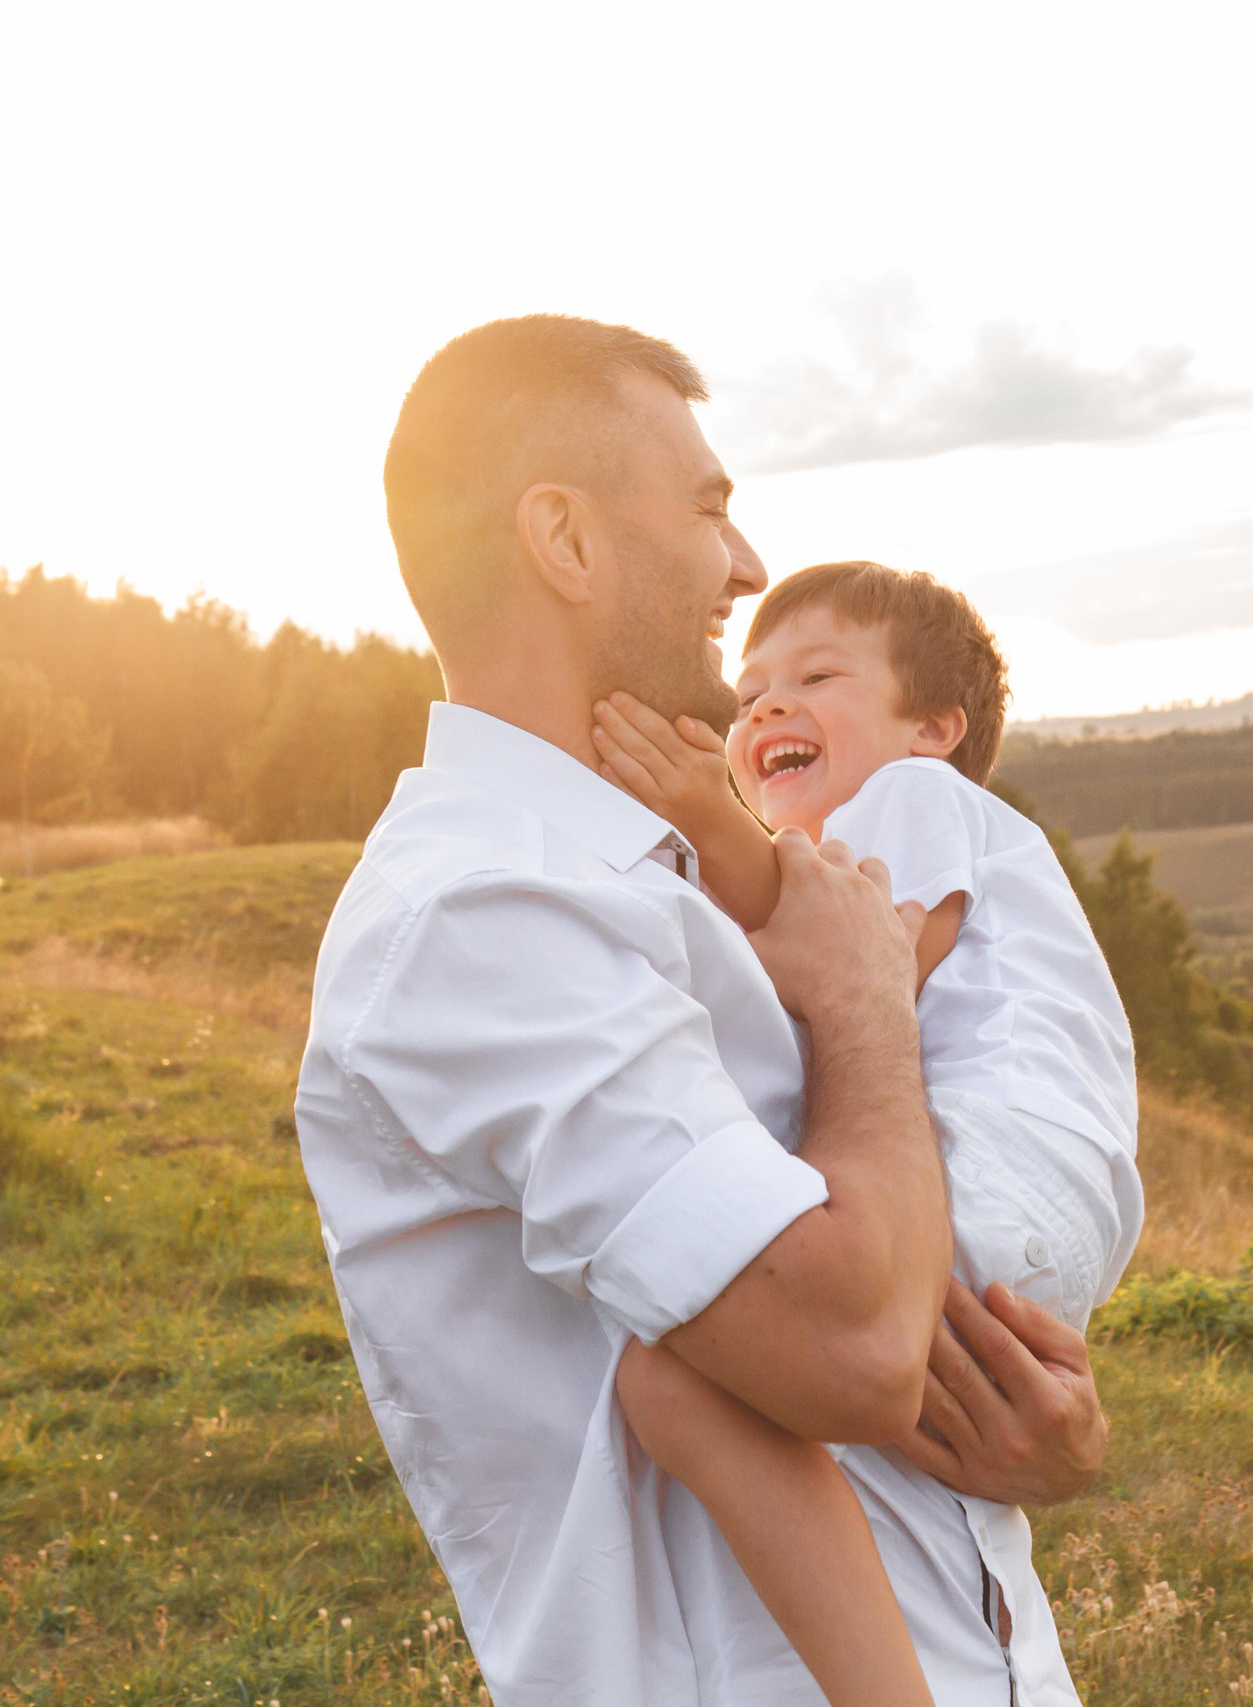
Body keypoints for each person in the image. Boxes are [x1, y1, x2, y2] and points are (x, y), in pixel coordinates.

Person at [294, 315, 1112, 1707]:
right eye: (710, 508)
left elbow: (892, 1291)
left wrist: (1039, 1438)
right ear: (564, 539)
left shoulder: (655, 884)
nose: (743, 564)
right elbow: (850, 1344)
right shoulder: (484, 917)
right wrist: (864, 1003)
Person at [591, 561, 1142, 1707]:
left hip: (996, 1177)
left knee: (681, 1386)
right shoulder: (913, 827)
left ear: (934, 728)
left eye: (817, 674)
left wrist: (701, 819)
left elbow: (868, 968)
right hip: (1035, 1213)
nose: (764, 707)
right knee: (777, 1397)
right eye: (750, 691)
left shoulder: (914, 799)